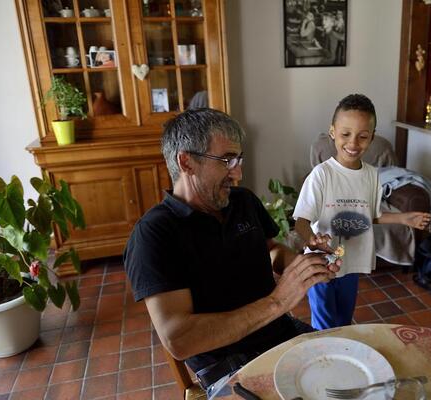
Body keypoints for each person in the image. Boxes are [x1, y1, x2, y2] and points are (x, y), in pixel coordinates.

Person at [123, 108, 341, 396]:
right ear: (186, 162)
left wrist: (302, 266)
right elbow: (179, 339)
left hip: (281, 333)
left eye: (238, 160)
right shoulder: (154, 234)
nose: (238, 173)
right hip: (225, 364)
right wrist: (277, 302)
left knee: (351, 376)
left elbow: (271, 250)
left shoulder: (243, 202)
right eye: (227, 160)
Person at [293, 94, 431, 330]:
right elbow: (301, 221)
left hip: (351, 262)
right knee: (324, 328)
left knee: (344, 323)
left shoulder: (371, 175)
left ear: (372, 138)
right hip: (322, 263)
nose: (353, 143)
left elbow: (371, 214)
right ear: (333, 132)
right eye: (346, 134)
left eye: (363, 136)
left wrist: (404, 218)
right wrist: (312, 239)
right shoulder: (322, 174)